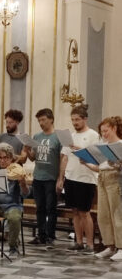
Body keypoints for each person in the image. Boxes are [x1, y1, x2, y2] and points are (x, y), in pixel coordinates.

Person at [58, 105, 99, 254]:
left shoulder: (93, 135)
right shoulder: (71, 136)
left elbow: (96, 157)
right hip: (71, 177)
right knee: (74, 211)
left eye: (77, 120)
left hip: (86, 178)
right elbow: (65, 158)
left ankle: (90, 244)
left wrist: (80, 149)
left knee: (84, 212)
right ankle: (79, 242)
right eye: (73, 120)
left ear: (85, 119)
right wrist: (61, 178)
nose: (75, 123)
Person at [81, 116, 122, 261]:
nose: (104, 134)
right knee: (103, 215)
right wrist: (86, 163)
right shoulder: (102, 146)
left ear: (114, 128)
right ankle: (110, 246)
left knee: (117, 215)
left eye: (106, 131)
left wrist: (118, 165)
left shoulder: (120, 145)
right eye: (102, 131)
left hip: (116, 179)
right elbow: (99, 167)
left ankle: (121, 247)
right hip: (103, 179)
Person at [24, 108, 62, 248]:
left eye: (43, 120)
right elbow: (33, 158)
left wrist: (60, 178)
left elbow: (62, 158)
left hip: (51, 177)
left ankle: (50, 235)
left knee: (51, 207)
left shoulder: (58, 137)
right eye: (39, 120)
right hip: (38, 177)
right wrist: (27, 151)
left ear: (51, 119)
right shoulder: (37, 137)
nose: (41, 123)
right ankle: (41, 235)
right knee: (39, 207)